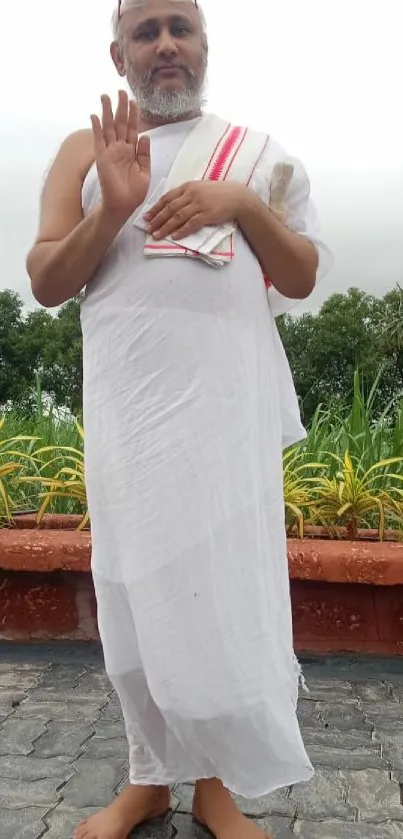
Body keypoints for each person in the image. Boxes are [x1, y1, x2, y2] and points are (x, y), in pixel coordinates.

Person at [27, 2, 332, 838]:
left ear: (203, 44)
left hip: (223, 425)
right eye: (146, 30)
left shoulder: (260, 157)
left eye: (180, 27)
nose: (165, 44)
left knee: (216, 600)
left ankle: (214, 787)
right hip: (130, 416)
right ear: (117, 51)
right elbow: (49, 279)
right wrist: (112, 207)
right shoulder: (81, 153)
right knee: (132, 597)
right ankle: (148, 778)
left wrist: (242, 204)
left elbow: (300, 276)